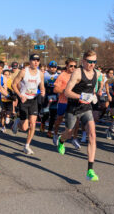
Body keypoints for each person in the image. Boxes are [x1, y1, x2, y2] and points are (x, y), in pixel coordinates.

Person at [57, 50, 102, 181]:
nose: (92, 64)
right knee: (69, 132)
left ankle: (90, 170)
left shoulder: (97, 74)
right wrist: (81, 96)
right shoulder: (78, 72)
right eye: (89, 62)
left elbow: (93, 90)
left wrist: (94, 96)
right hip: (73, 107)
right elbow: (66, 92)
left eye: (94, 62)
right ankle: (61, 140)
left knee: (92, 135)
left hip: (86, 108)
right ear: (83, 61)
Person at [11, 54, 45, 155]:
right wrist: (20, 95)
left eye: (37, 60)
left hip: (33, 100)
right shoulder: (23, 72)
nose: (35, 62)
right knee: (24, 128)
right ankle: (17, 122)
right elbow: (13, 84)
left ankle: (27, 145)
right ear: (30, 61)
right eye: (33, 60)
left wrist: (43, 92)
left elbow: (42, 86)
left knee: (33, 124)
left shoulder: (40, 74)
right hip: (24, 100)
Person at [52, 58, 78, 145]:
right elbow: (55, 89)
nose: (73, 68)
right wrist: (65, 91)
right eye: (71, 66)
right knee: (59, 119)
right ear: (66, 66)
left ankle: (74, 139)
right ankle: (55, 134)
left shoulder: (78, 75)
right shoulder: (62, 75)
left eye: (75, 66)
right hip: (63, 101)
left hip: (74, 102)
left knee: (76, 121)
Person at [40, 61, 59, 138]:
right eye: (51, 67)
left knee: (53, 116)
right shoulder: (44, 75)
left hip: (55, 97)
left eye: (54, 67)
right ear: (48, 67)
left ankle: (49, 131)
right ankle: (43, 122)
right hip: (46, 96)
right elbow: (41, 85)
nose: (53, 69)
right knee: (46, 113)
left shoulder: (58, 76)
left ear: (56, 68)